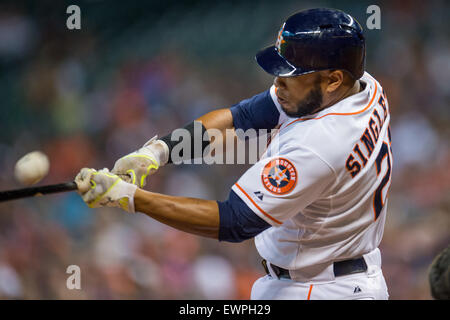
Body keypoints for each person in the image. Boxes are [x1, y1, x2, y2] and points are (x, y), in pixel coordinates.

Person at [75, 8, 392, 300]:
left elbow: (233, 222)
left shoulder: (320, 144)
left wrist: (131, 198)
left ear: (333, 79)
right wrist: (156, 152)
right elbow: (242, 117)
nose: (277, 82)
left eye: (291, 75)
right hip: (345, 274)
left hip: (320, 288)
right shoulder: (363, 86)